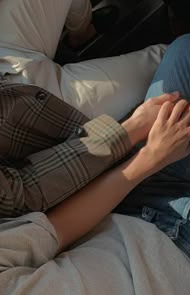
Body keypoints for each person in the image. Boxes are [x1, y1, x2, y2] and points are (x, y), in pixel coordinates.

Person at [0, 0, 166, 217]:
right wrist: (125, 134)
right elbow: (22, 193)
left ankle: (82, 35)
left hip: (6, 57)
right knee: (173, 61)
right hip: (31, 120)